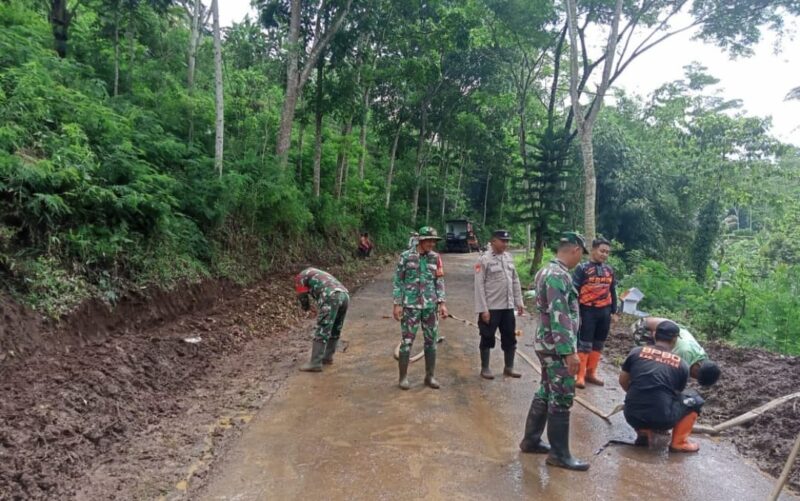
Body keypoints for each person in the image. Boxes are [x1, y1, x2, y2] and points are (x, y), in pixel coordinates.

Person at [519, 232, 590, 471]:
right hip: (556, 348)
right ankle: (559, 455)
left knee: (546, 390)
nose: (579, 260)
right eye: (581, 255)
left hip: (546, 344)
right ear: (576, 251)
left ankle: (530, 440)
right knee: (561, 396)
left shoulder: (546, 271)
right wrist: (569, 352)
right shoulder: (558, 276)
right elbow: (560, 316)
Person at [619, 320, 705, 452]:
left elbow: (623, 381)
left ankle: (643, 431)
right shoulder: (682, 365)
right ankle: (679, 443)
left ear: (654, 335)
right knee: (695, 400)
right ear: (675, 339)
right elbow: (677, 394)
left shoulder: (636, 352)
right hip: (661, 419)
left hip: (631, 415)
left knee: (643, 393)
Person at [392, 226, 448, 390]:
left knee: (431, 342)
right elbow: (398, 282)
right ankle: (403, 378)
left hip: (430, 307)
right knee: (407, 342)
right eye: (429, 241)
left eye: (434, 241)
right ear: (421, 240)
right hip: (410, 307)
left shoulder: (435, 258)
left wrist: (442, 303)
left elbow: (439, 281)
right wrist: (397, 304)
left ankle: (429, 377)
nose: (432, 244)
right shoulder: (406, 257)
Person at [474, 229, 525, 380]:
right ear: (493, 241)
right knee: (487, 336)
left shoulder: (508, 258)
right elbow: (479, 286)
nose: (506, 244)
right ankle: (485, 368)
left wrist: (519, 301)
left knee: (510, 337)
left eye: (507, 241)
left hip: (507, 307)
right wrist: (483, 309)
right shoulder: (484, 260)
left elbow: (515, 280)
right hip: (491, 307)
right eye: (503, 241)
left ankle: (509, 367)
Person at [572, 237, 618, 388]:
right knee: (584, 343)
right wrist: (574, 312)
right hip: (587, 311)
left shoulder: (609, 270)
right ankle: (579, 375)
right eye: (602, 251)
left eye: (607, 252)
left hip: (604, 312)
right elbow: (574, 291)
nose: (604, 254)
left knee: (599, 343)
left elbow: (613, 291)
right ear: (593, 250)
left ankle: (591, 373)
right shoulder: (582, 268)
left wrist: (614, 311)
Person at [633, 316, 721, 387]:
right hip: (644, 328)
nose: (693, 378)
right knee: (649, 364)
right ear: (698, 367)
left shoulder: (702, 357)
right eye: (696, 377)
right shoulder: (684, 354)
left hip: (668, 330)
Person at [294, 267, 350, 372]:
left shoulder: (300, 277)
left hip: (331, 296)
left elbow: (302, 296)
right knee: (335, 327)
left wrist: (305, 307)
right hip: (344, 295)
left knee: (322, 328)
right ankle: (327, 357)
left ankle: (315, 363)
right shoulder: (317, 273)